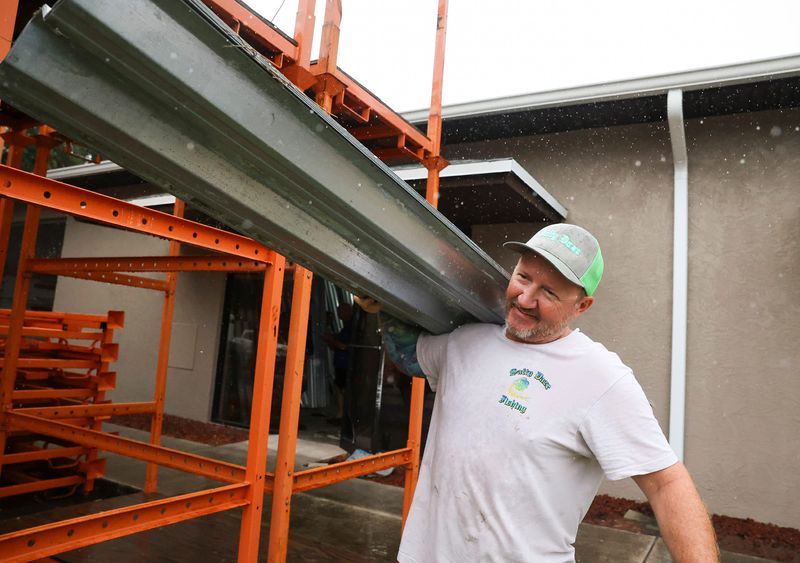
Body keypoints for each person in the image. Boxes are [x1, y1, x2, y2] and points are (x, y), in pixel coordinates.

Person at [356, 223, 718, 562]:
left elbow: (666, 483)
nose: (525, 299)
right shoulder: (465, 342)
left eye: (548, 292)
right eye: (523, 277)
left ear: (582, 306)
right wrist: (383, 304)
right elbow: (408, 355)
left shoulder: (601, 379)